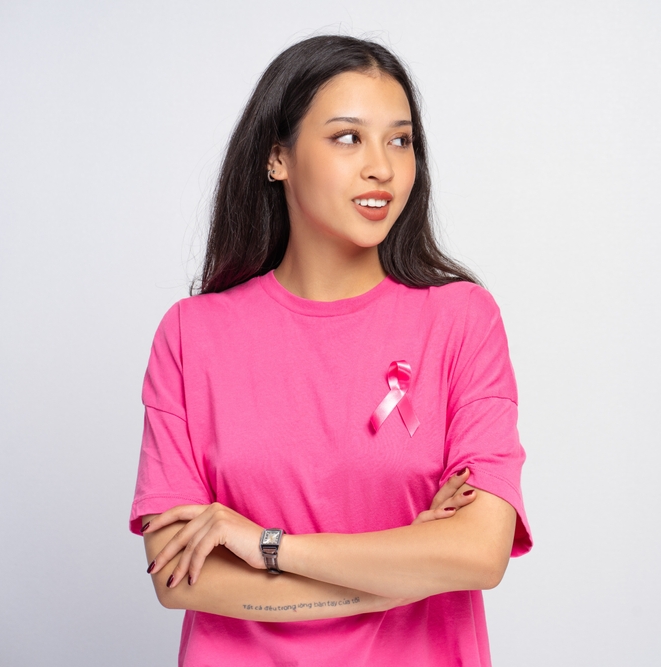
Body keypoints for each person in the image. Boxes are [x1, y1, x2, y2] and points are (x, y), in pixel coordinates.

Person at [129, 35, 532, 666]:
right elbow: (180, 577)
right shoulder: (191, 335)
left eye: (400, 140)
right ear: (277, 158)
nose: (382, 167)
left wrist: (268, 546)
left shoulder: (461, 320)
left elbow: (478, 554)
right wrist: (388, 583)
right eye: (348, 137)